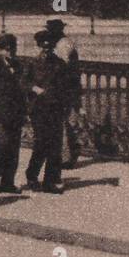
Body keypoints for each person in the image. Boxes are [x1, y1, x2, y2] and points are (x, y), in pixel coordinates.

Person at [23, 30, 68, 193]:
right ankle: (32, 176)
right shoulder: (32, 63)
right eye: (44, 47)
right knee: (42, 143)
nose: (47, 51)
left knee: (55, 145)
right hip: (39, 108)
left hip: (56, 107)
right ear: (39, 46)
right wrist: (35, 88)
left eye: (50, 48)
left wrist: (67, 105)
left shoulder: (60, 64)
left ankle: (51, 180)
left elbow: (65, 86)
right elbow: (23, 83)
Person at [0, 33, 27, 193]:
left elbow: (23, 93)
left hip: (17, 115)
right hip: (0, 114)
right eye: (7, 50)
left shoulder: (20, 67)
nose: (11, 52)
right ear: (1, 51)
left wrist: (25, 112)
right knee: (0, 146)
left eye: (13, 49)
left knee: (14, 150)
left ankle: (8, 181)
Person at [45, 18, 83, 167]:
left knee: (64, 122)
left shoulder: (63, 45)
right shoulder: (62, 43)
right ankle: (68, 154)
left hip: (66, 88)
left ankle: (67, 157)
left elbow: (63, 68)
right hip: (68, 87)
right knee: (66, 122)